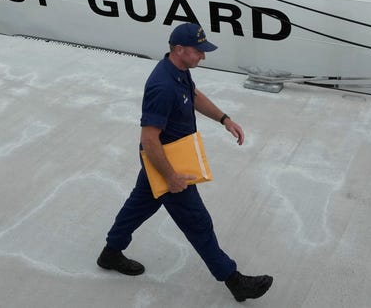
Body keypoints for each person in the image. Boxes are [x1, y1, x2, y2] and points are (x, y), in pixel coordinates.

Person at [97, 22, 273, 302]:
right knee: (198, 222)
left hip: (165, 159)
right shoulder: (162, 86)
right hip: (167, 163)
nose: (203, 56)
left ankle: (110, 253)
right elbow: (149, 139)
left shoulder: (178, 70)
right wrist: (170, 177)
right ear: (179, 50)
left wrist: (224, 119)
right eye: (198, 51)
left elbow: (193, 95)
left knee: (139, 205)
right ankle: (234, 280)